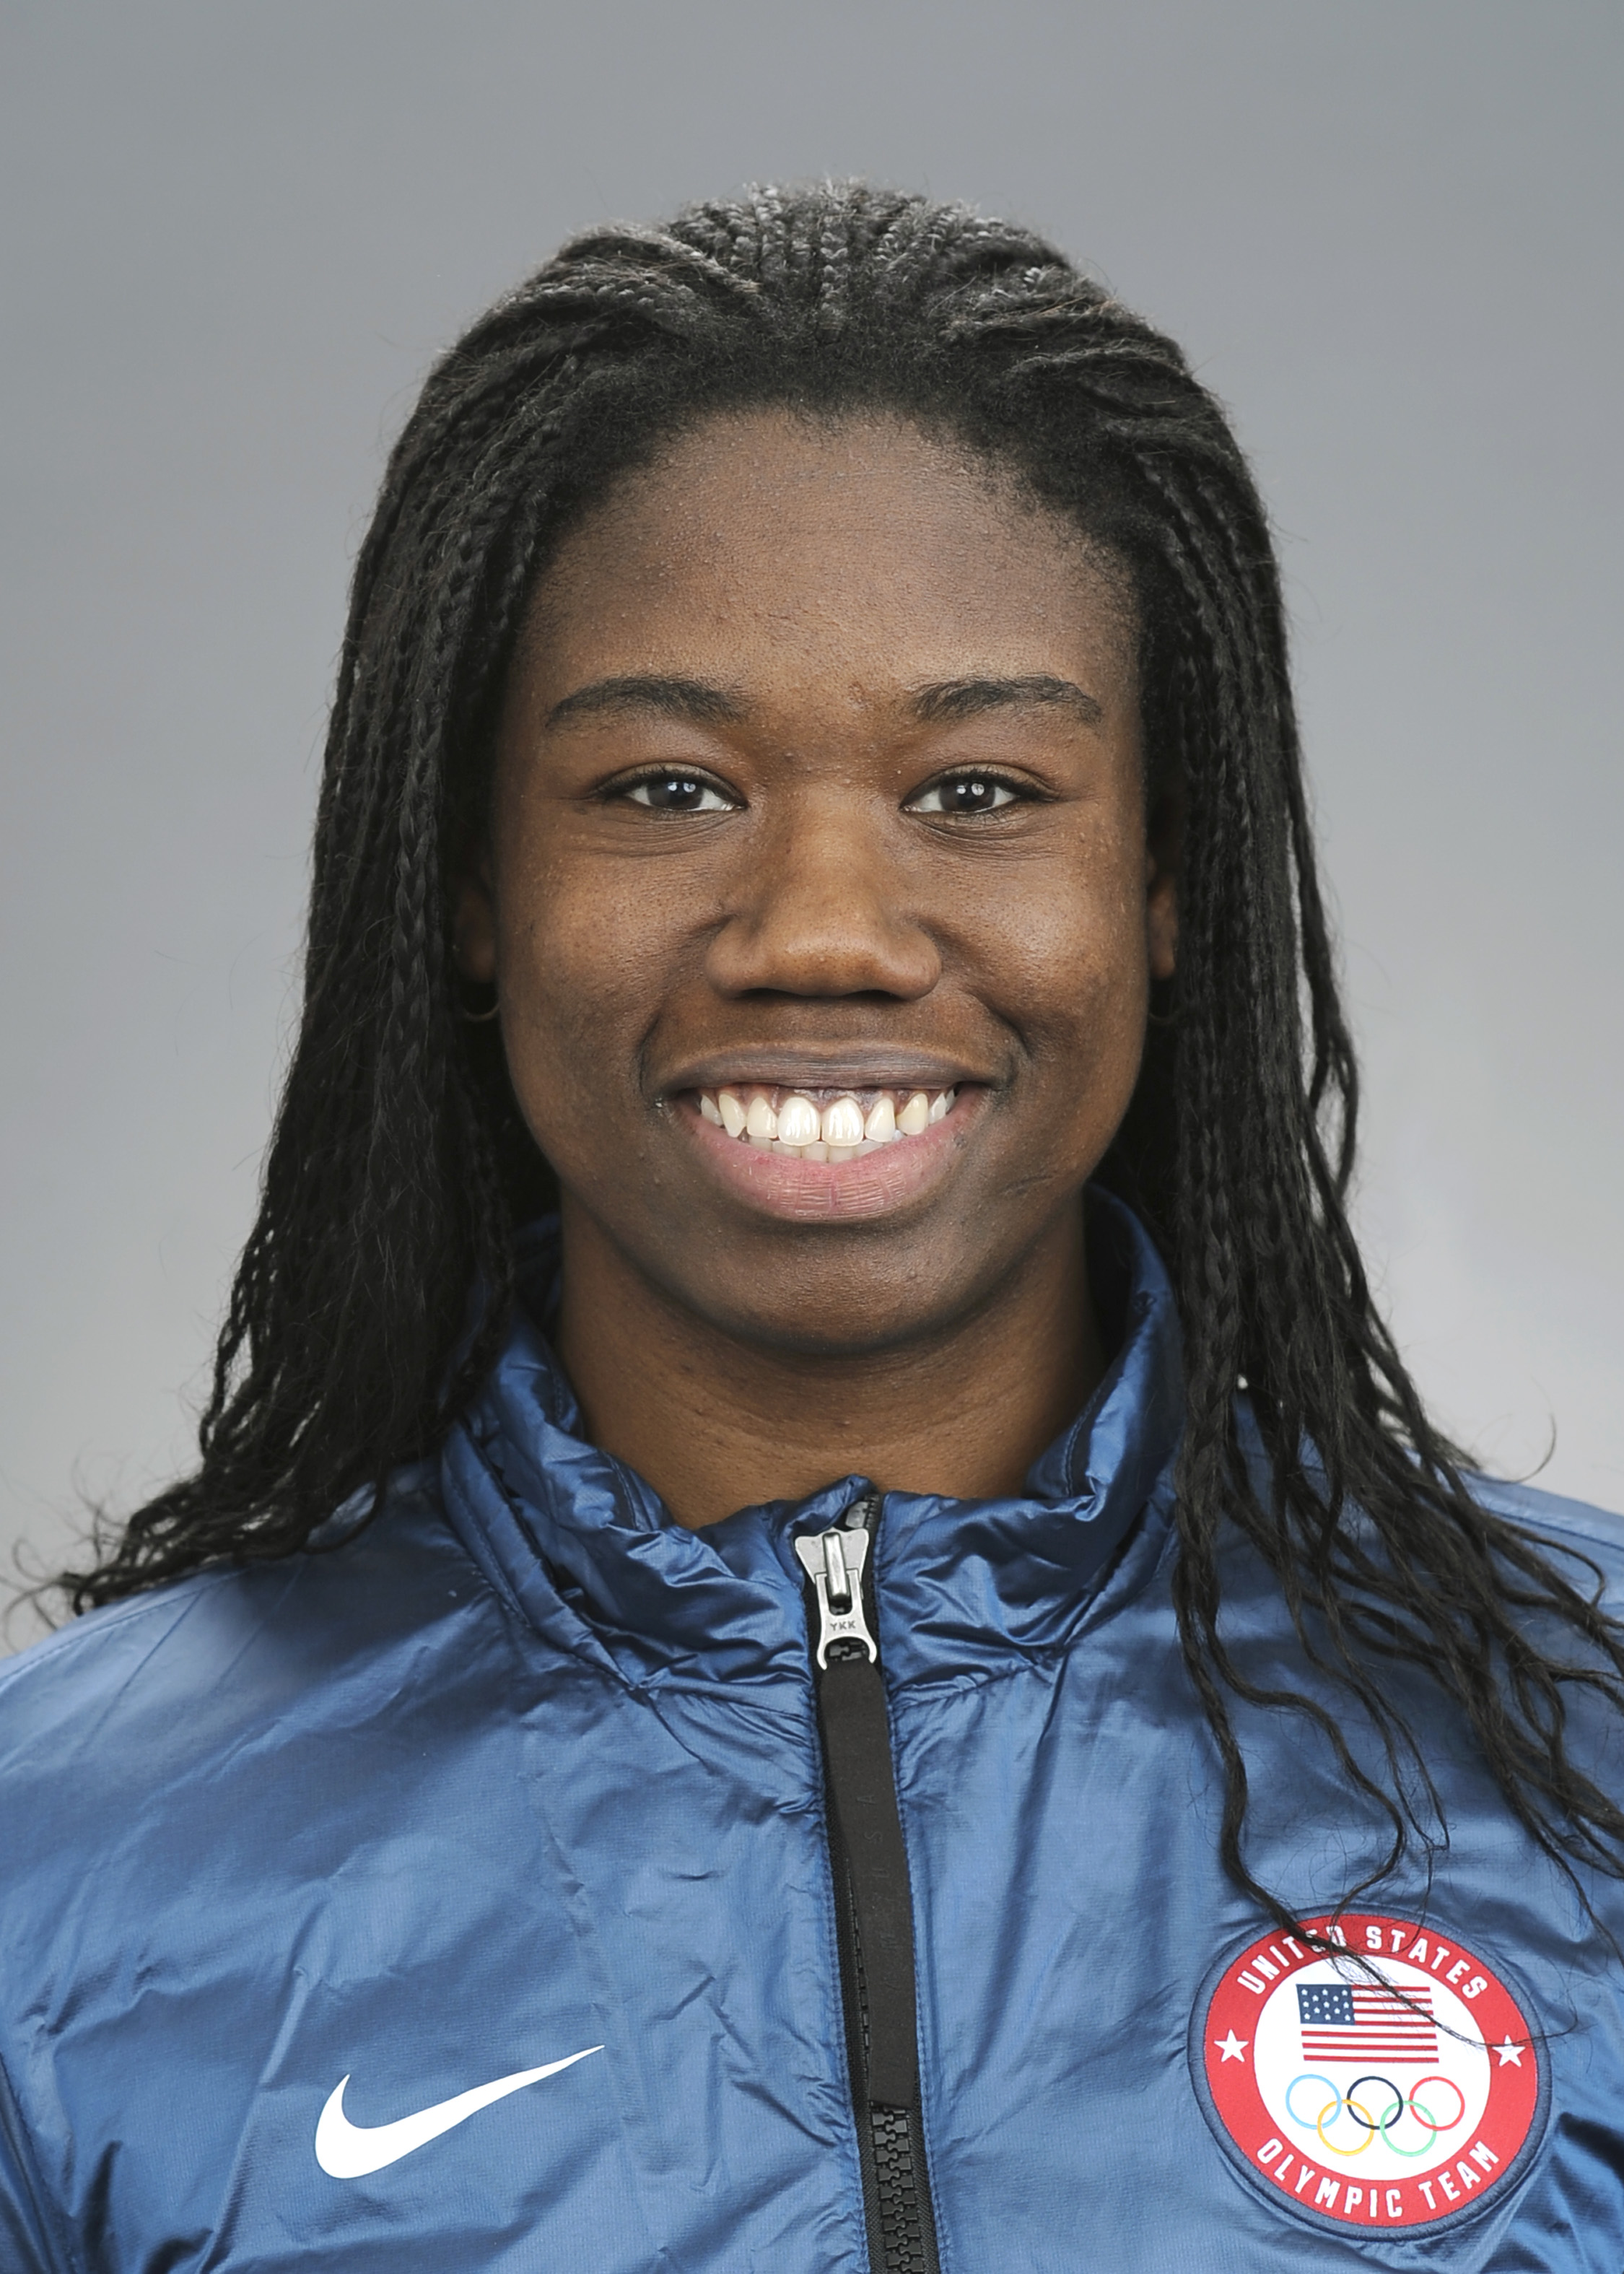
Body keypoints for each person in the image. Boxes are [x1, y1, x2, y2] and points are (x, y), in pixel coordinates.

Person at [1, 182, 1620, 2274]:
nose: (827, 933)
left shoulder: (1576, 1742)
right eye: (668, 788)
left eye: (978, 791)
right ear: (470, 883)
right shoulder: (66, 1863)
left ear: (1162, 881)